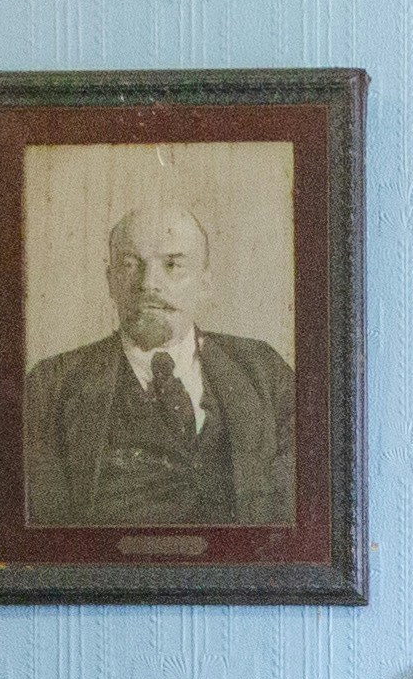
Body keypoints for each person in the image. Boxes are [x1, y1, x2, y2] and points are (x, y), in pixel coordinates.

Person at [20, 204, 293, 527]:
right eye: (130, 264)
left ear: (205, 282)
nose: (149, 283)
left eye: (173, 265)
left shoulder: (262, 370)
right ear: (110, 281)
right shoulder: (52, 385)